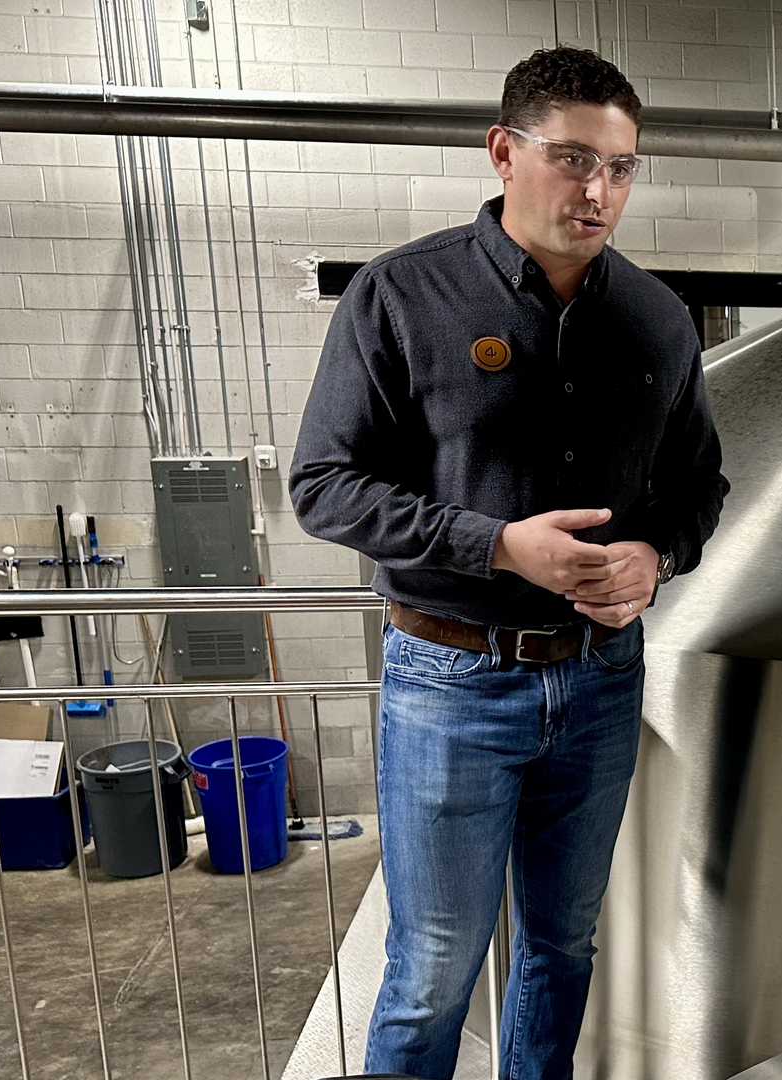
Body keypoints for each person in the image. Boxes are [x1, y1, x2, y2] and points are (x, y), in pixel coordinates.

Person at [289, 47, 727, 1079]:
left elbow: (699, 490)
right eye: (575, 160)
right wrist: (498, 547)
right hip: (451, 680)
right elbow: (322, 484)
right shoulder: (403, 297)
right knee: (435, 965)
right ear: (503, 152)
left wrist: (652, 557)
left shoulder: (658, 320)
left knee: (561, 947)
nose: (599, 191)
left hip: (601, 679)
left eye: (621, 168)